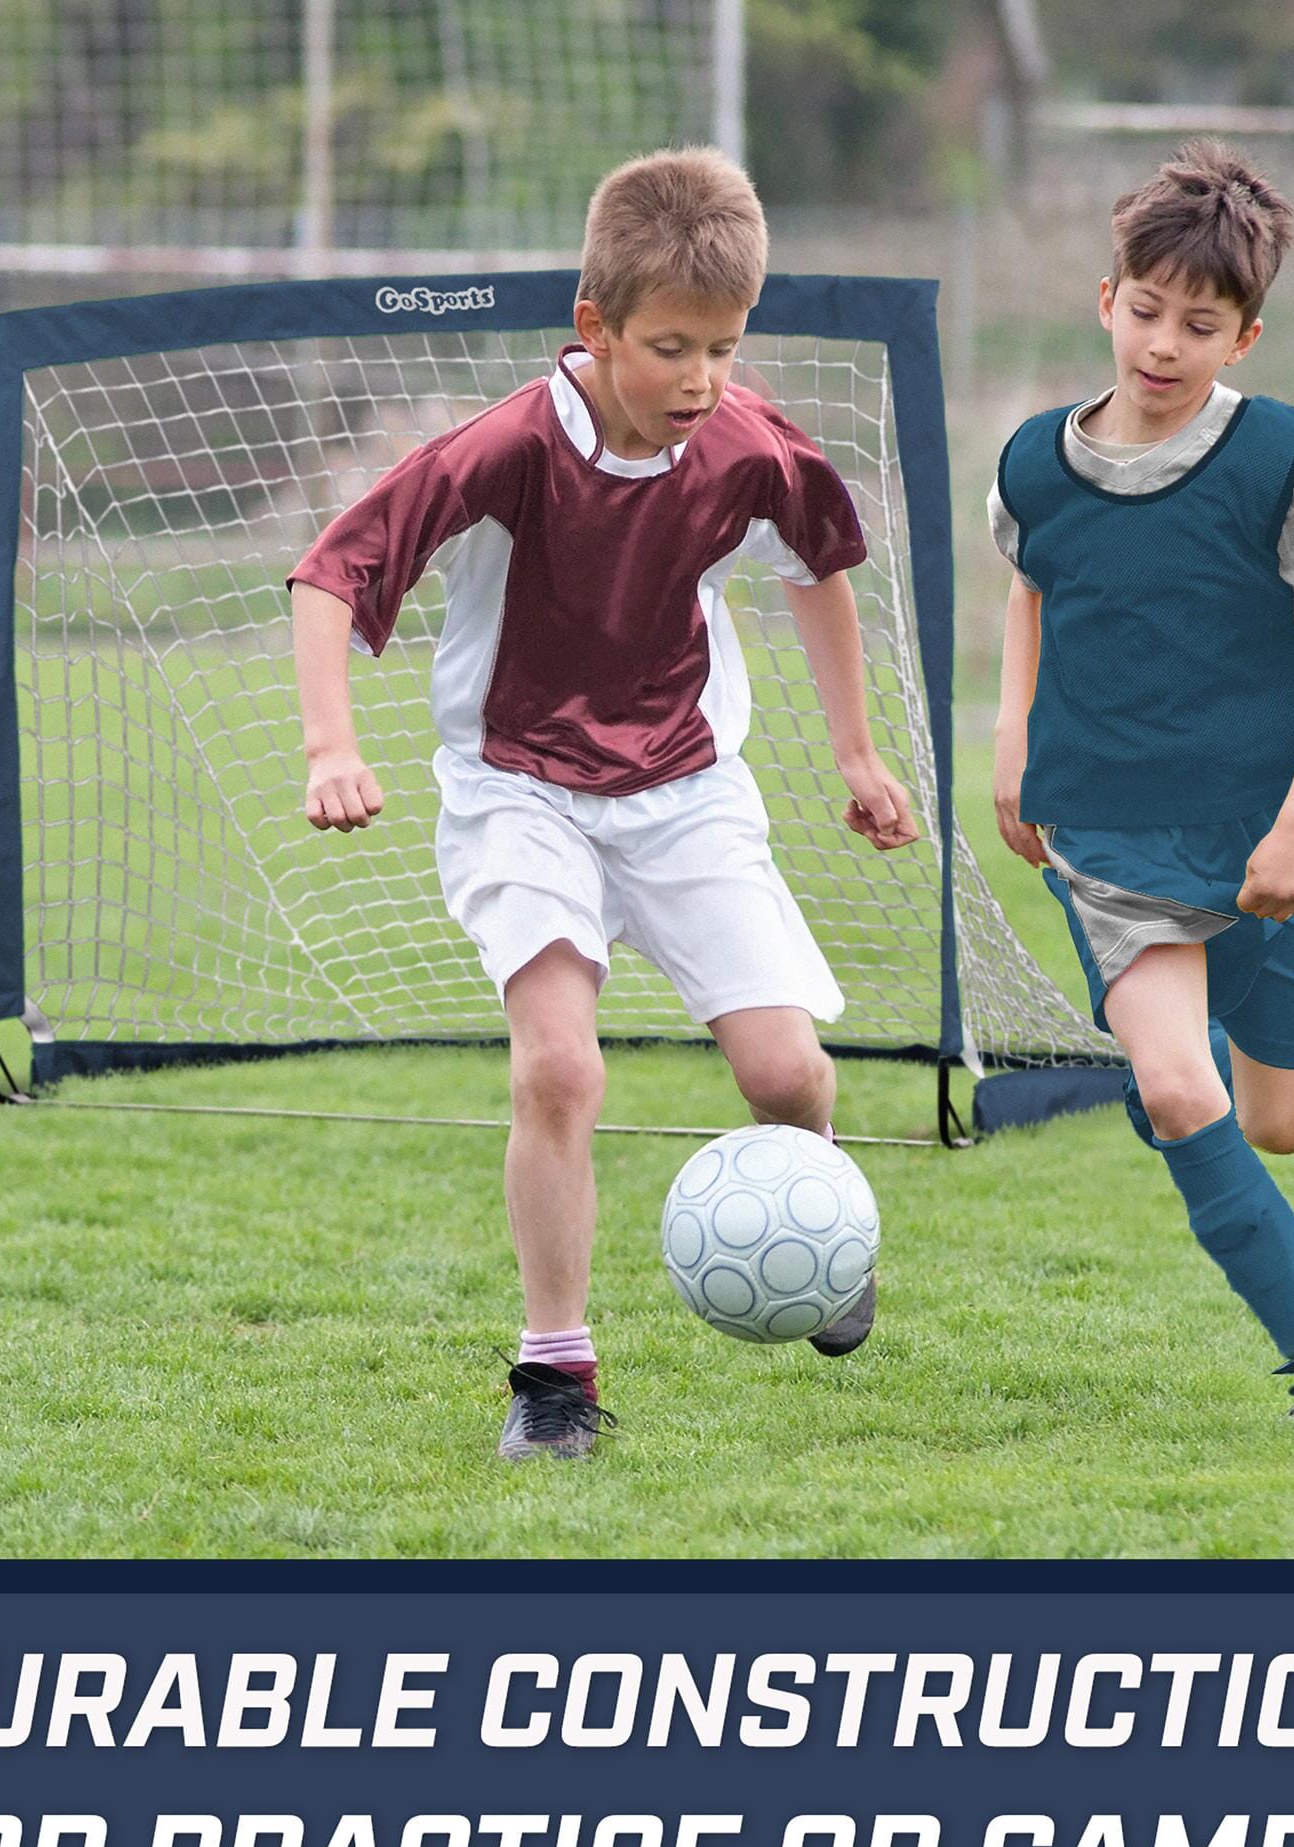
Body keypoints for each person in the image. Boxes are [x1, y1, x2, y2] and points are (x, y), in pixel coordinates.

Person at [288, 146, 920, 1461]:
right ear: (596, 328)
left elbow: (819, 566)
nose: (701, 379)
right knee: (562, 1066)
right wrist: (328, 745)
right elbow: (328, 574)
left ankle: (823, 1235)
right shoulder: (509, 449)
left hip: (685, 792)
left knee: (787, 1073)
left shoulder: (745, 445)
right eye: (672, 347)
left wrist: (858, 753)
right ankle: (555, 1379)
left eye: (725, 349)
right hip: (518, 793)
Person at [988, 138, 1294, 1423]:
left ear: (1244, 338)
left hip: (1264, 827)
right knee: (1173, 1086)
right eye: (1145, 311)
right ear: (1107, 301)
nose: (1162, 343)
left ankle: (1193, 1044)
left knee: (1279, 1124)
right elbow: (1031, 586)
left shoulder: (1286, 461)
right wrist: (1012, 742)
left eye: (1197, 325)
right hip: (1104, 821)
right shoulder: (1033, 462)